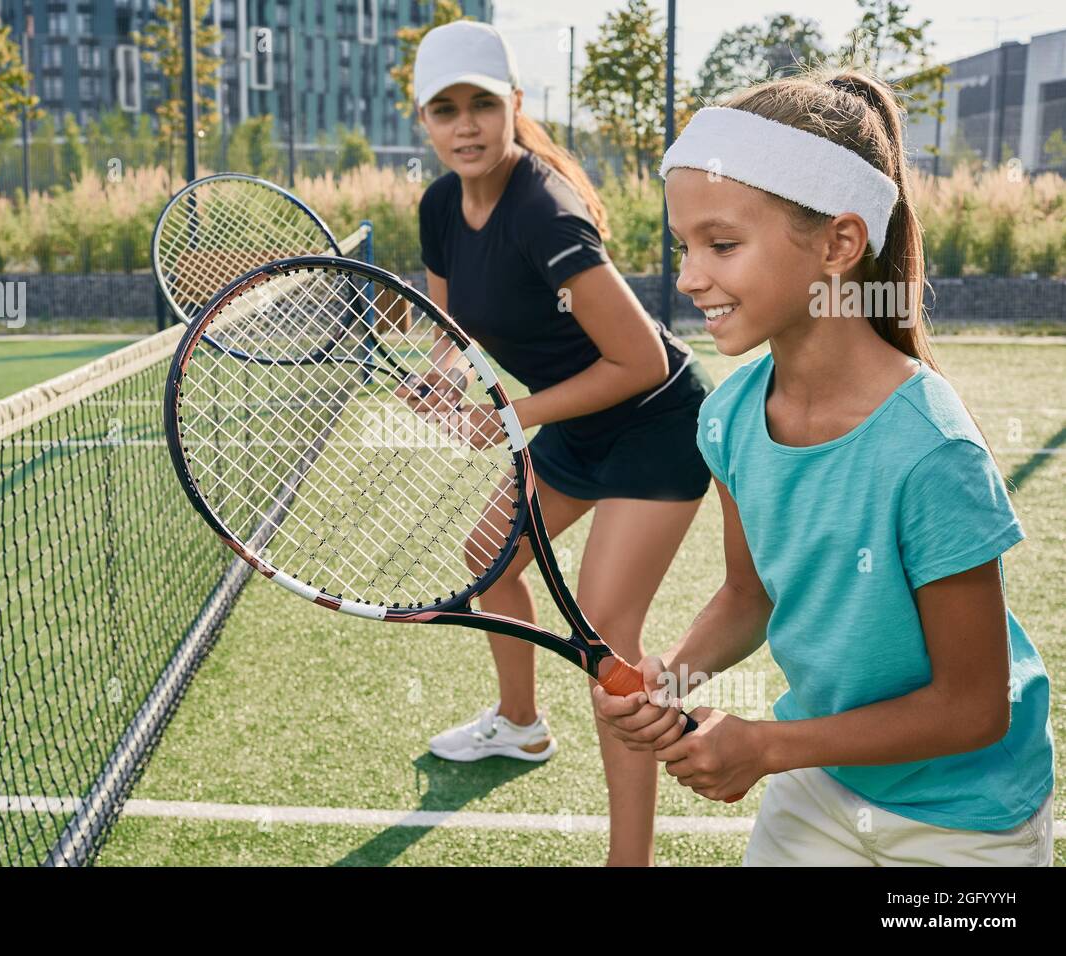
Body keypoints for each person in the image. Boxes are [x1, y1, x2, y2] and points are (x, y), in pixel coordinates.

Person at [594, 67, 1055, 865]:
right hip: (823, 784)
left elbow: (976, 707)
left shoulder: (931, 451)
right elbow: (751, 592)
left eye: (723, 244)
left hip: (968, 821)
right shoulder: (730, 417)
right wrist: (671, 674)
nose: (690, 276)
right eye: (684, 247)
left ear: (840, 244)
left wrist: (769, 747)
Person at [404, 20, 715, 865]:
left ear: (514, 106)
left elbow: (640, 359)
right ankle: (520, 726)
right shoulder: (441, 205)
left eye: (482, 104)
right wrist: (439, 376)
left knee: (607, 627)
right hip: (575, 424)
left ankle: (630, 860)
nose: (465, 125)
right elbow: (450, 324)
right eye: (445, 108)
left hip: (655, 422)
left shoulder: (544, 211)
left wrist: (509, 416)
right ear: (422, 119)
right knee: (491, 557)